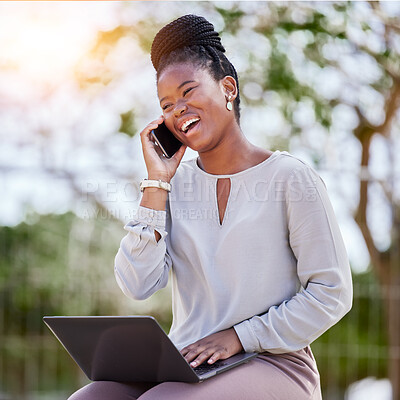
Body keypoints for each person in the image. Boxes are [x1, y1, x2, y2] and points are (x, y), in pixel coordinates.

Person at [69, 14, 352, 400]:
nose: (178, 110)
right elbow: (137, 285)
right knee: (89, 398)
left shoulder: (290, 178)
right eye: (167, 104)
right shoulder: (173, 187)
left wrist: (240, 336)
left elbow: (331, 292)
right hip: (188, 362)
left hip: (272, 361)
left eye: (189, 92)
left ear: (227, 88)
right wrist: (157, 183)